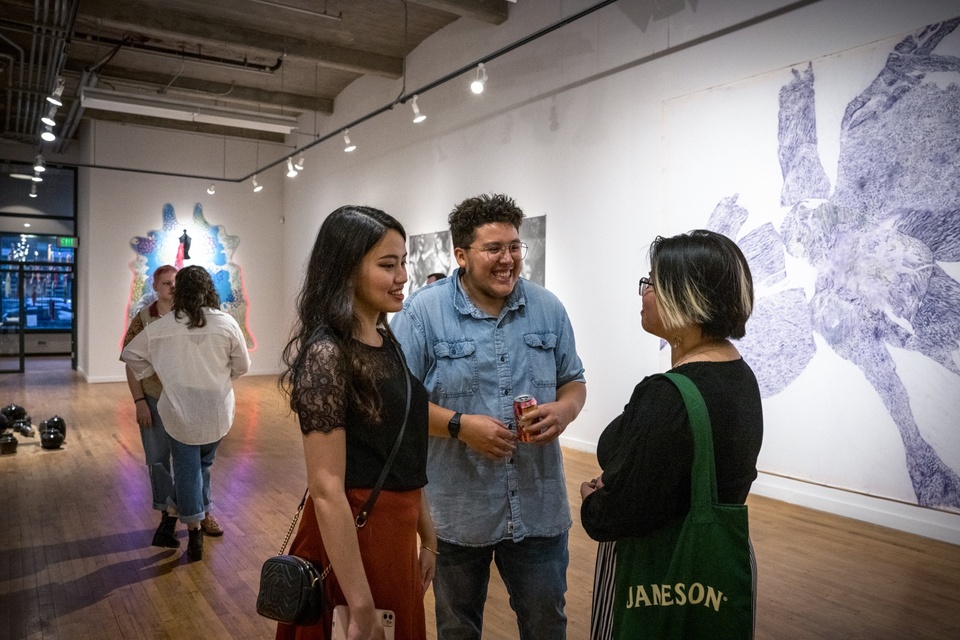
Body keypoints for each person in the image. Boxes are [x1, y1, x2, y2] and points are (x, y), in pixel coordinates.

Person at [391, 193, 587, 640]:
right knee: (458, 628)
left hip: (538, 508)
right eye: (494, 249)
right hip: (457, 513)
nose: (508, 260)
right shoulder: (423, 312)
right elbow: (397, 402)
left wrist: (564, 410)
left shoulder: (548, 308)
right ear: (460, 255)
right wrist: (460, 427)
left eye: (515, 247)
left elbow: (574, 381)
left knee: (546, 624)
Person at [579, 229, 764, 640]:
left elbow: (623, 514)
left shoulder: (667, 396)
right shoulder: (741, 376)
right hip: (716, 568)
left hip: (660, 573)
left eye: (651, 284)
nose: (643, 293)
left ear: (687, 299)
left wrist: (593, 501)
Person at [276, 205, 436, 640]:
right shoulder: (327, 354)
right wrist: (359, 599)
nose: (403, 275)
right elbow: (326, 486)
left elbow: (402, 448)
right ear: (346, 270)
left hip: (394, 534)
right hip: (355, 540)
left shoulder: (387, 341)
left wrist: (428, 535)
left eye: (403, 262)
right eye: (388, 264)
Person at [122, 265, 250, 561]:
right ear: (209, 289)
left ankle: (190, 533)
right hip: (217, 412)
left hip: (179, 412)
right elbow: (242, 367)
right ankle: (183, 523)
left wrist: (155, 370)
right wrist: (219, 377)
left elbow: (130, 354)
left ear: (180, 291)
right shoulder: (226, 323)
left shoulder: (164, 326)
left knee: (188, 470)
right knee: (201, 467)